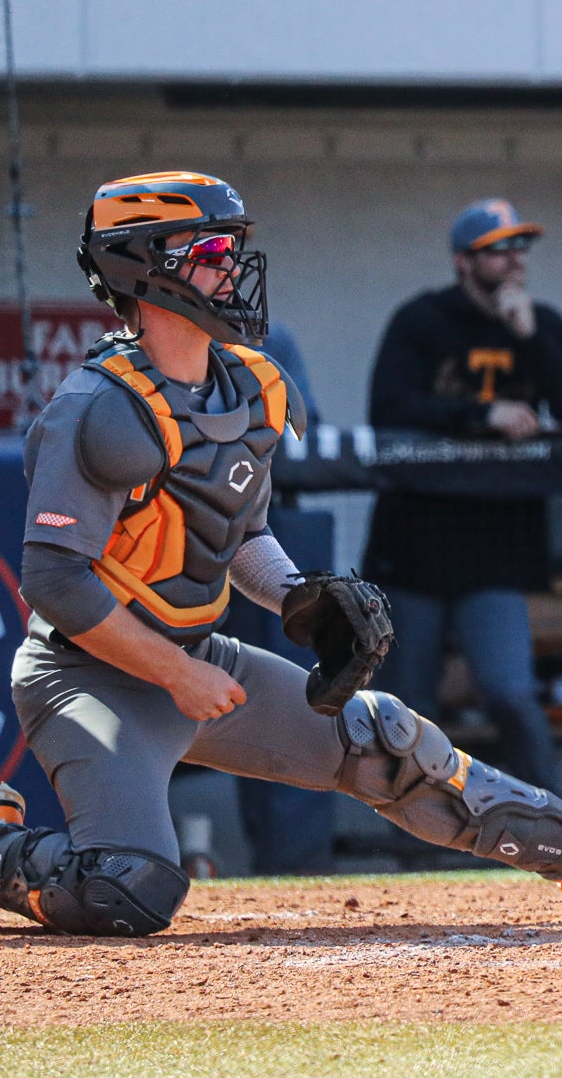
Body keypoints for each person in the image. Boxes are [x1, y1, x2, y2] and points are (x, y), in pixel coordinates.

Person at [0, 172, 562, 939]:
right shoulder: (96, 407)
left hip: (197, 655)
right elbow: (54, 579)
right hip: (87, 674)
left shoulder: (252, 385)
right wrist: (176, 672)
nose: (231, 265)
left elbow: (239, 535)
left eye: (233, 246)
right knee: (128, 889)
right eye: (209, 248)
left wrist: (299, 595)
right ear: (142, 265)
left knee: (388, 741)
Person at [363, 198, 562, 791]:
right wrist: (480, 414)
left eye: (520, 247)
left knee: (510, 692)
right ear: (464, 262)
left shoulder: (541, 324)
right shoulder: (422, 319)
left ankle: (551, 825)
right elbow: (388, 408)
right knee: (404, 704)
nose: (515, 260)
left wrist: (532, 335)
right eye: (499, 249)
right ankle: (408, 844)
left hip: (498, 541)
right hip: (416, 538)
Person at [224, 319, 341, 875]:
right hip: (164, 554)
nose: (226, 265)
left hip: (248, 529)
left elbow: (300, 433)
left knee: (284, 698)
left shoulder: (273, 341)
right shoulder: (133, 358)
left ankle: (291, 864)